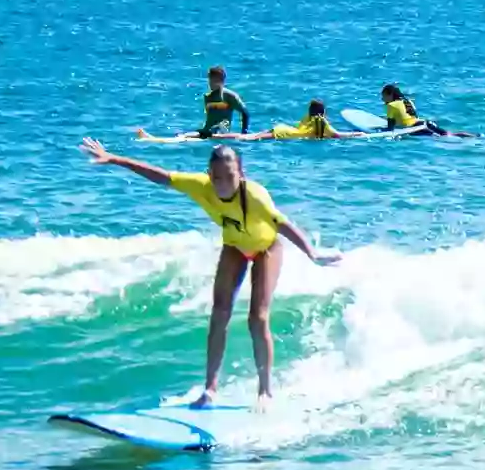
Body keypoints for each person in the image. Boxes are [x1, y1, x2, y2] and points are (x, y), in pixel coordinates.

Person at [80, 137, 339, 407]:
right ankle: (210, 390)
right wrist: (116, 159)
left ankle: (265, 392)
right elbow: (161, 176)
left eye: (229, 176)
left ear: (241, 174)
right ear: (209, 175)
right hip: (235, 246)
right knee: (219, 313)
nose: (223, 184)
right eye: (217, 177)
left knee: (257, 317)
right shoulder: (201, 186)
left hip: (267, 249)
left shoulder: (255, 196)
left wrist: (312, 252)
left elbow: (283, 225)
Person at [378, 83, 473, 137]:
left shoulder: (391, 105)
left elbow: (390, 129)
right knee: (450, 135)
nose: (382, 99)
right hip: (424, 123)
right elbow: (409, 116)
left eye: (384, 96)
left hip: (415, 129)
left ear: (390, 95)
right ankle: (474, 136)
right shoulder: (407, 101)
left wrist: (378, 130)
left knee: (443, 138)